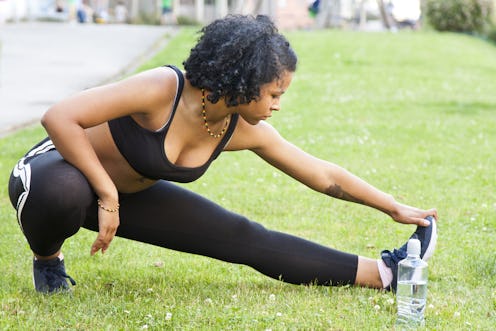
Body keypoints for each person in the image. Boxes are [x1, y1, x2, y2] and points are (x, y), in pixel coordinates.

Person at [8, 15, 437, 294]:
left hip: (127, 195)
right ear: (246, 80)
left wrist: (392, 207)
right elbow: (60, 116)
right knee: (63, 192)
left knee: (244, 237)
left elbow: (324, 175)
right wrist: (105, 192)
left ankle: (385, 274)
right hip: (53, 170)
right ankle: (48, 261)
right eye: (274, 93)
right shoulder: (164, 89)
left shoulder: (241, 129)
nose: (277, 104)